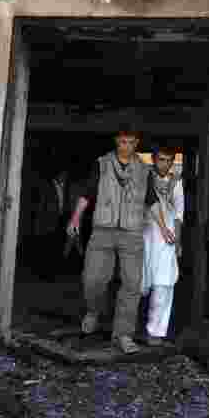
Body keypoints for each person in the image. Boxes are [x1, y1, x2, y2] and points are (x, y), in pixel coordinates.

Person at [66, 126, 150, 354]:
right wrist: (75, 219)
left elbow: (151, 204)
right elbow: (86, 194)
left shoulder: (145, 170)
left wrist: (164, 231)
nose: (127, 146)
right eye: (123, 142)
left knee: (132, 285)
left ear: (137, 143)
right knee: (93, 278)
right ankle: (93, 311)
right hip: (103, 230)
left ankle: (123, 334)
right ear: (116, 142)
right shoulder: (101, 165)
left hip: (132, 233)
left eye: (131, 142)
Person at [142, 146, 185, 346]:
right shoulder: (142, 178)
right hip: (143, 235)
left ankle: (156, 332)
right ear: (153, 159)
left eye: (168, 160)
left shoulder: (176, 183)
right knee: (137, 283)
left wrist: (178, 241)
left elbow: (179, 214)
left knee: (163, 284)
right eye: (161, 159)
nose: (164, 164)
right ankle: (128, 329)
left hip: (166, 239)